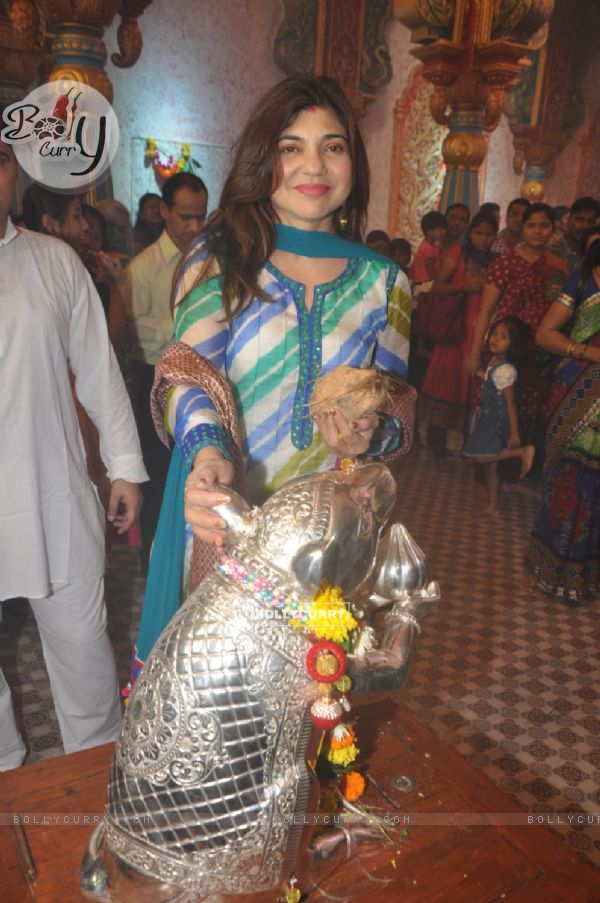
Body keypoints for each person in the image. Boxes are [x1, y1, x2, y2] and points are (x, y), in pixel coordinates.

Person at [129, 74, 413, 684]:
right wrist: (207, 451)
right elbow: (188, 375)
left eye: (332, 146)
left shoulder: (387, 283)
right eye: (291, 146)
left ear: (352, 163)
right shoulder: (220, 256)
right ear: (266, 158)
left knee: (311, 694)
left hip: (326, 535)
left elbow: (396, 406)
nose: (314, 164)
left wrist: (371, 431)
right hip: (226, 514)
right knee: (216, 697)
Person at [0, 142, 148, 770]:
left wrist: (123, 466)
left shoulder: (53, 261)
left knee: (85, 658)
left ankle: (97, 789)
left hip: (50, 493)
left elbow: (97, 369)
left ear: (12, 173)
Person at [126, 171, 208, 575]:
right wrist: (183, 325)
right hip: (156, 383)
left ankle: (193, 562)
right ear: (163, 211)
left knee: (202, 472)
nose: (194, 227)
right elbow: (132, 335)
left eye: (201, 218)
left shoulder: (211, 265)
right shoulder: (141, 270)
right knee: (158, 478)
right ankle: (153, 563)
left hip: (203, 383)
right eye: (186, 218)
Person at [525, 227, 600, 603]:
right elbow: (544, 334)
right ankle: (554, 571)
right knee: (572, 476)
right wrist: (587, 352)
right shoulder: (585, 279)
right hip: (578, 390)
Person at [466, 203, 567, 469]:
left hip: (538, 350)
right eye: (532, 225)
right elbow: (486, 311)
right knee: (494, 409)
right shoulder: (506, 262)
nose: (537, 231)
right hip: (504, 347)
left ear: (552, 230)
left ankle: (516, 468)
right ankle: (489, 474)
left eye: (544, 225)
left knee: (527, 410)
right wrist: (476, 354)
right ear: (522, 228)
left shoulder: (558, 267)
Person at [419, 211, 498, 455]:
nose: (483, 238)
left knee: (472, 383)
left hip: (482, 327)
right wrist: (463, 286)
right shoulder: (458, 254)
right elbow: (437, 286)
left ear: (495, 236)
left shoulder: (497, 261)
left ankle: (468, 445)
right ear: (470, 233)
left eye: (488, 234)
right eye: (478, 233)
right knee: (447, 380)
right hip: (457, 325)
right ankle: (436, 440)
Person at [463, 316, 535, 513]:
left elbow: (511, 403)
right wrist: (477, 372)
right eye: (494, 333)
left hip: (497, 420)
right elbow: (490, 380)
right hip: (487, 416)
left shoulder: (506, 370)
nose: (495, 339)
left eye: (503, 337)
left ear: (513, 344)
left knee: (483, 457)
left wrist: (514, 432)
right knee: (490, 467)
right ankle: (493, 505)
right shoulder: (496, 361)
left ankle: (522, 452)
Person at [549, 196, 600, 274]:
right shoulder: (551, 252)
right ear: (568, 220)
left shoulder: (596, 255)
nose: (584, 226)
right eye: (579, 220)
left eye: (590, 221)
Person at [410, 210, 447, 285]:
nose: (444, 232)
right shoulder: (428, 249)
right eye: (440, 229)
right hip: (425, 283)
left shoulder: (431, 245)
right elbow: (431, 272)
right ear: (429, 230)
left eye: (444, 229)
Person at [133, 191, 164, 255]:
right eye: (151, 208)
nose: (156, 211)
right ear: (141, 214)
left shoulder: (170, 232)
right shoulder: (137, 239)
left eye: (159, 207)